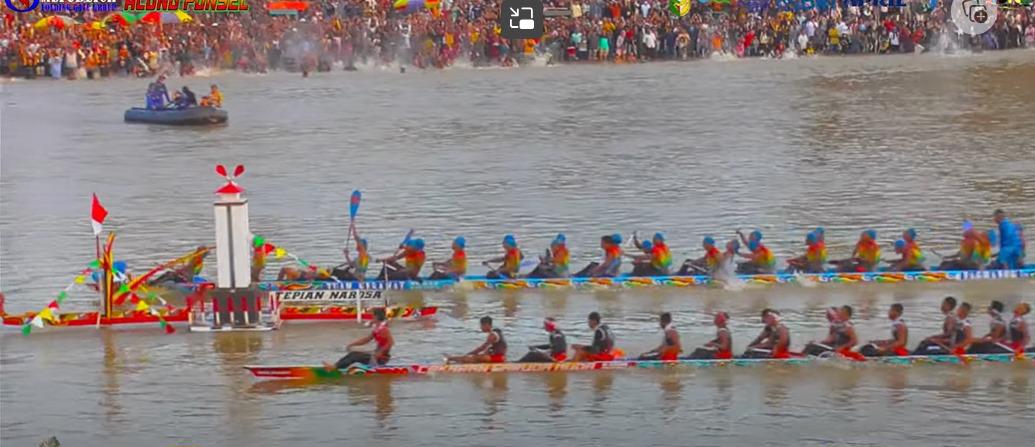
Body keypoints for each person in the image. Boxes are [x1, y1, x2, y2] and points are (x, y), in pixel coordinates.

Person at [323, 308, 393, 371]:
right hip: (376, 355)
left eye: (372, 316)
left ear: (376, 317)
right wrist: (352, 344)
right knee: (353, 354)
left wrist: (379, 353)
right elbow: (366, 339)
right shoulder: (377, 329)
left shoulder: (383, 329)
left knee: (354, 355)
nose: (371, 318)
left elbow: (390, 343)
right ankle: (337, 366)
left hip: (381, 358)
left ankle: (334, 367)